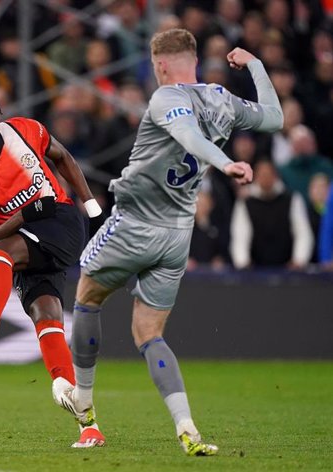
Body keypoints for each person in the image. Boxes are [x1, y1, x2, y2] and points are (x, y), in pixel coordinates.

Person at [55, 29, 283, 454]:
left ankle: (83, 403)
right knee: (148, 334)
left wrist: (226, 162)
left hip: (135, 221)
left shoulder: (164, 98)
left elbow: (188, 138)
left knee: (87, 298)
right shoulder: (221, 100)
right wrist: (255, 65)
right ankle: (187, 428)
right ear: (193, 59)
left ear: (160, 64)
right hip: (177, 234)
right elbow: (275, 118)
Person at [0, 91, 104, 441]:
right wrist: (21, 217)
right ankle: (88, 424)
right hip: (25, 237)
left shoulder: (25, 131)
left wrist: (89, 203)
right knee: (46, 313)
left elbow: (63, 156)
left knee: (1, 249)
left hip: (60, 220)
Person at [230, 160, 313, 270]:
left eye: (269, 175)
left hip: (288, 269)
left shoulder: (292, 199)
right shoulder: (245, 203)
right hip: (254, 270)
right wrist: (243, 262)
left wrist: (299, 260)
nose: (265, 178)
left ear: (275, 176)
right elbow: (240, 235)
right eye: (262, 175)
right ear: (256, 177)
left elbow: (302, 232)